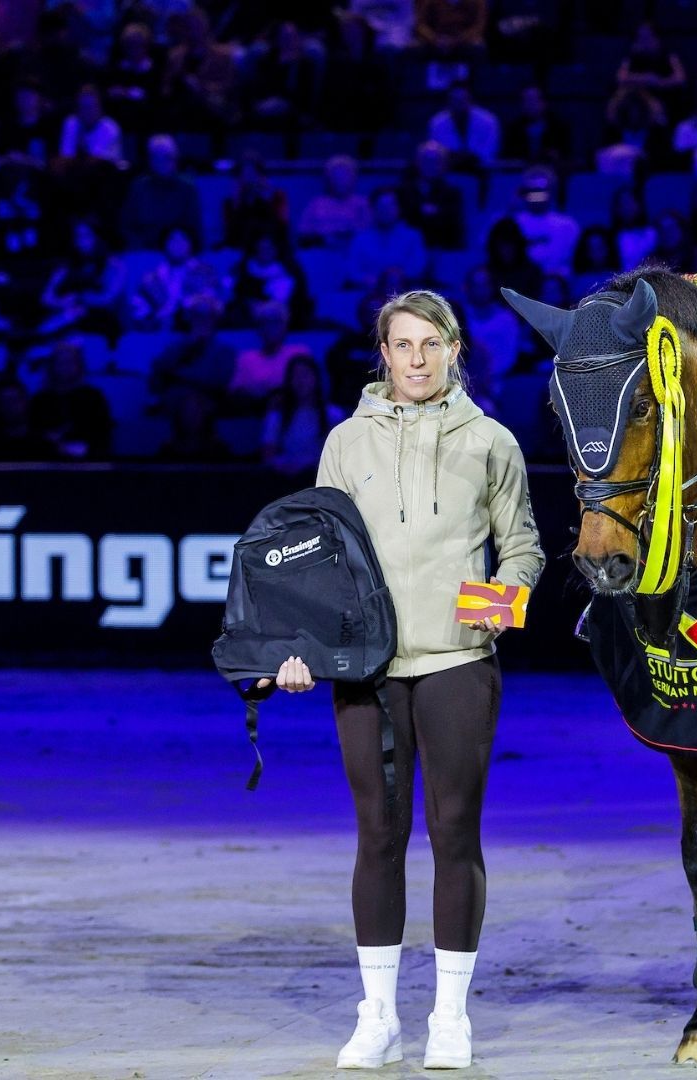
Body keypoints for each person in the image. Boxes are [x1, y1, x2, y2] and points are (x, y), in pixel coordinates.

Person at [264, 289, 543, 1071]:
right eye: (402, 345)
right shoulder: (346, 441)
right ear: (381, 354)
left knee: (455, 835)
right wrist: (304, 650)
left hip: (457, 664)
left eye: (431, 344)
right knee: (378, 838)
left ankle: (449, 1018)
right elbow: (317, 560)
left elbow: (522, 549)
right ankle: (379, 1015)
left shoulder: (492, 441)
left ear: (456, 349)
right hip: (368, 670)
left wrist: (496, 608)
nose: (416, 360)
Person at [261, 352, 346, 474]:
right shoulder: (277, 415)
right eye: (295, 376)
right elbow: (267, 454)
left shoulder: (333, 414)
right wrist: (285, 463)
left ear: (316, 379)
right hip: (283, 478)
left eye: (305, 375)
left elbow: (340, 455)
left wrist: (308, 463)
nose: (300, 381)